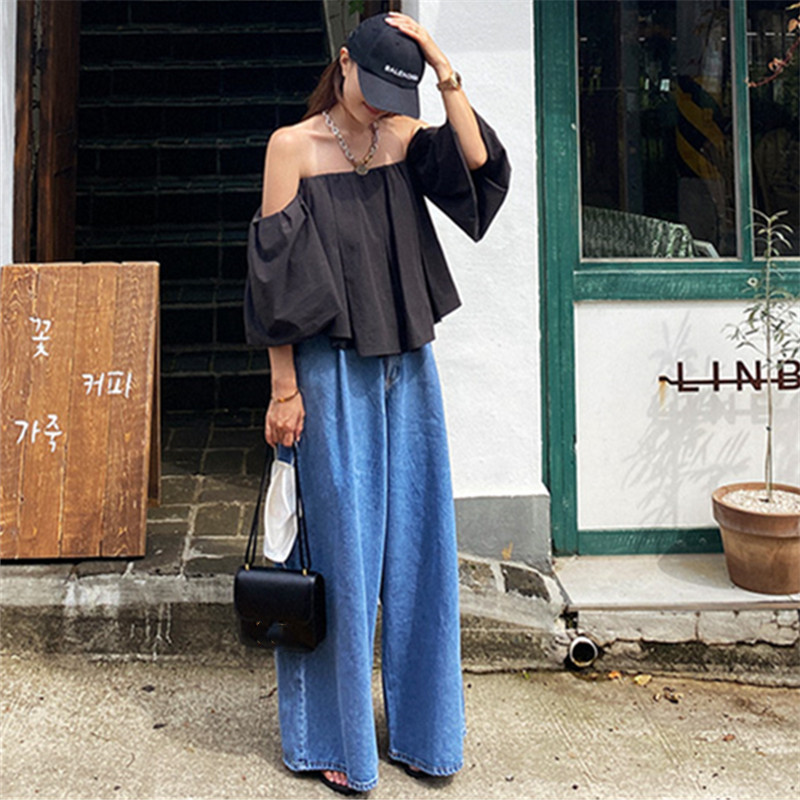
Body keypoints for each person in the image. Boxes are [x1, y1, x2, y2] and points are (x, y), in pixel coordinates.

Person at [244, 11, 510, 795]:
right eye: (375, 87)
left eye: (401, 94)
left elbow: (478, 166)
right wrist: (284, 390)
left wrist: (445, 71)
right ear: (343, 62)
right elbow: (272, 276)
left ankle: (428, 734)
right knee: (342, 558)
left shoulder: (401, 134)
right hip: (329, 373)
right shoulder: (292, 147)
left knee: (422, 549)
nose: (382, 106)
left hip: (408, 368)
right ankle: (337, 741)